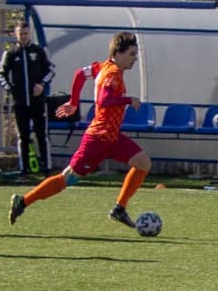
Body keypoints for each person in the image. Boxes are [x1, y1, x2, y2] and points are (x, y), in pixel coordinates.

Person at [9, 31, 151, 232]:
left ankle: (119, 208)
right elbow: (104, 100)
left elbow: (80, 74)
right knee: (67, 179)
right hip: (98, 139)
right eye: (131, 54)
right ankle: (23, 201)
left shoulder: (102, 66)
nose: (135, 59)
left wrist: (74, 102)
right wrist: (129, 100)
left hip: (112, 137)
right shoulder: (112, 75)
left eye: (135, 54)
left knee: (143, 163)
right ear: (118, 53)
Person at [0, 19, 55, 177]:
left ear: (29, 34)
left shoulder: (39, 51)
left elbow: (50, 70)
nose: (23, 36)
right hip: (20, 102)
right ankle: (24, 170)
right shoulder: (10, 54)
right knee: (23, 136)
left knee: (41, 135)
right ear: (15, 34)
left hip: (37, 101)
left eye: (25, 33)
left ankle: (47, 169)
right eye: (20, 34)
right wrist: (10, 88)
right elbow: (1, 73)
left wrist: (41, 85)